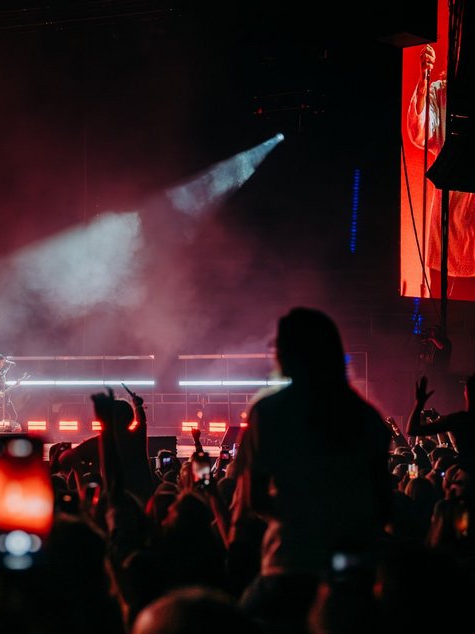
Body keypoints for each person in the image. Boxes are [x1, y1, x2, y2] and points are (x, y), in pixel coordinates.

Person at [231, 307, 392, 634]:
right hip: (353, 570)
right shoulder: (368, 417)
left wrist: (302, 514)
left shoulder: (269, 412)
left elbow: (254, 500)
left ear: (290, 352)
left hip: (290, 563)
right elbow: (383, 506)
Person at [407, 43, 475, 299]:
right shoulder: (443, 93)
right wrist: (424, 85)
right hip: (449, 225)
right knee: (445, 303)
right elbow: (421, 134)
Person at [408, 373, 475, 476]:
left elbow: (413, 430)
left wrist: (419, 402)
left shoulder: (459, 419)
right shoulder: (458, 419)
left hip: (468, 480)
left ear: (466, 392)